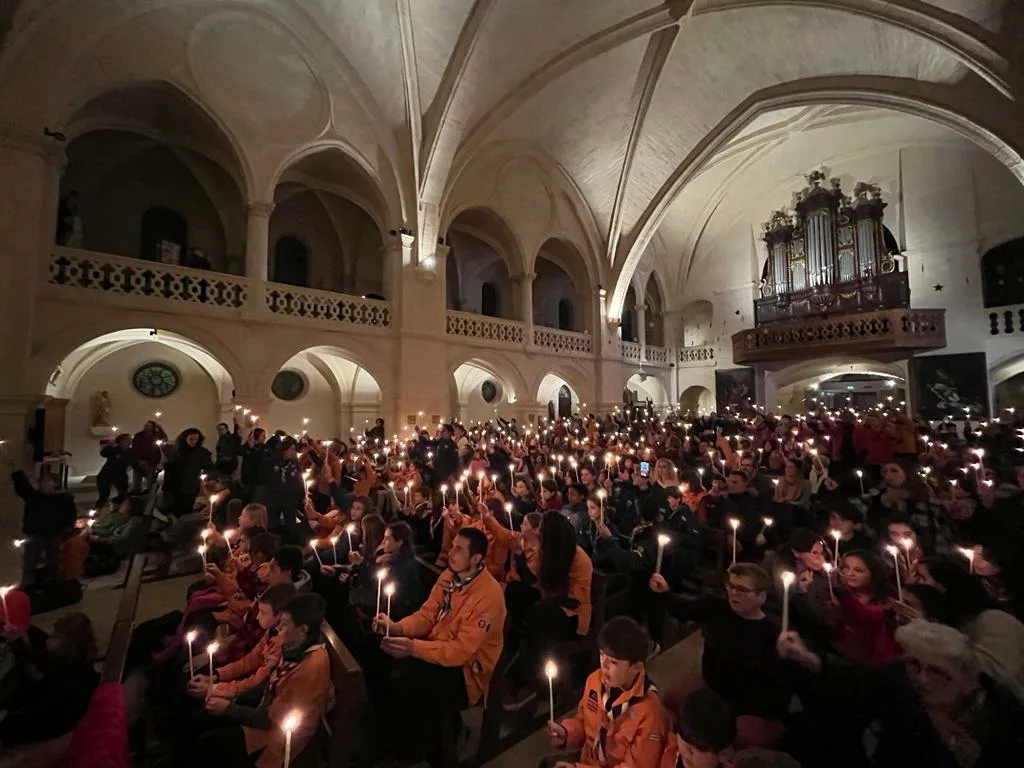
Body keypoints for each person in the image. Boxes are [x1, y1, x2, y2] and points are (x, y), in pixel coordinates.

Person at [778, 620, 1024, 768]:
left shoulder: (1000, 716)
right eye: (914, 665)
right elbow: (859, 676)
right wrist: (807, 658)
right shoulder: (901, 681)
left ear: (966, 678)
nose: (921, 678)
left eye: (937, 672)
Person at [369, 527, 506, 765]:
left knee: (408, 681)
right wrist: (397, 628)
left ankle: (413, 750)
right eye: (452, 546)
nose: (451, 553)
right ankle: (389, 736)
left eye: (459, 550)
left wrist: (413, 648)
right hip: (435, 648)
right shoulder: (449, 576)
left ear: (476, 559)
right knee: (376, 652)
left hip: (466, 672)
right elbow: (427, 615)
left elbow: (461, 651)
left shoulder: (489, 595)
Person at [652, 564, 789, 747]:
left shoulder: (772, 634)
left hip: (744, 704)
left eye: (742, 589)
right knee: (672, 700)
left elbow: (778, 688)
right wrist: (664, 592)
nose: (733, 593)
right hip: (711, 685)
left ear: (761, 596)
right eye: (731, 586)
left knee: (737, 737)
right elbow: (684, 609)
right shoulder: (718, 608)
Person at [196, 593, 331, 768]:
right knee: (205, 715)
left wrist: (230, 709)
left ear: (303, 629)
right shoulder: (294, 645)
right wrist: (229, 697)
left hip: (276, 737)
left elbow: (274, 719)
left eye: (284, 624)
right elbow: (266, 685)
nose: (278, 628)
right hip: (265, 712)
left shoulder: (311, 667)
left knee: (209, 743)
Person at [543, 616, 669, 768]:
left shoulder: (650, 714)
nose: (604, 665)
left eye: (614, 662)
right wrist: (566, 733)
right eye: (602, 655)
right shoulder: (595, 680)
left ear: (636, 667)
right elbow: (584, 721)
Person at [0, 612, 99, 749]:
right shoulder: (73, 660)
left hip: (49, 727)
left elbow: (40, 686)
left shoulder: (66, 671)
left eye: (55, 636)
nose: (48, 640)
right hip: (50, 717)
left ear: (68, 643)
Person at [9, 464, 77, 587]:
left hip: (54, 534)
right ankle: (27, 586)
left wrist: (67, 530)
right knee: (30, 561)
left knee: (54, 560)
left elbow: (70, 516)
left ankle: (52, 583)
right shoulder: (34, 497)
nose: (42, 484)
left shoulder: (64, 500)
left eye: (47, 481)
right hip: (35, 534)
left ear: (55, 484)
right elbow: (23, 487)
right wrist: (17, 473)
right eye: (41, 481)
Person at [659, 687, 737, 768]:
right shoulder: (667, 752)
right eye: (684, 741)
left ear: (724, 753)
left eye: (699, 749)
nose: (687, 752)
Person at [96, 433, 134, 508]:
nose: (130, 441)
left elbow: (133, 463)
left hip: (120, 475)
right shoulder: (114, 449)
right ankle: (99, 511)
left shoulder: (130, 451)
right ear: (121, 441)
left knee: (123, 495)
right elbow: (103, 453)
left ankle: (119, 510)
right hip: (106, 474)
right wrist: (113, 446)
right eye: (127, 439)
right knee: (103, 495)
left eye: (130, 439)